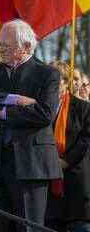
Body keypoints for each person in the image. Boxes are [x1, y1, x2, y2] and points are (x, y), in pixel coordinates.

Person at [0, 19, 61, 232]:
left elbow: (44, 113)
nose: (0, 49)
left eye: (7, 46)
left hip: (30, 164)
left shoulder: (47, 74)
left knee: (27, 226)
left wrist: (1, 112)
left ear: (26, 46)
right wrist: (13, 99)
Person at [45, 61, 90, 232]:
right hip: (49, 191)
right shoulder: (41, 109)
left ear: (65, 82)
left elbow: (86, 140)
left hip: (76, 187)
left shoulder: (83, 108)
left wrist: (65, 161)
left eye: (54, 80)